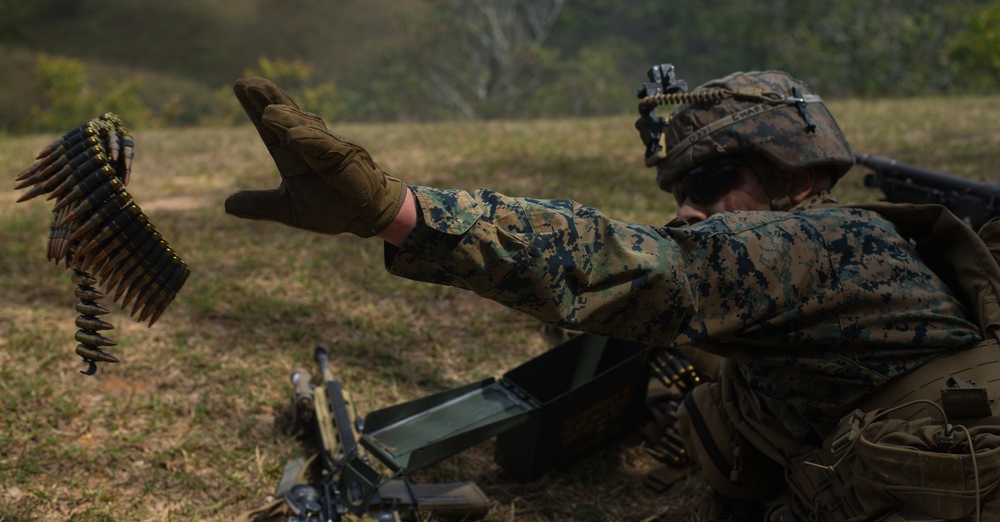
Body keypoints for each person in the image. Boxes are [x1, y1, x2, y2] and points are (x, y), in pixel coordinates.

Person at [225, 71, 1000, 521]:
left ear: (796, 175)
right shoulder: (819, 274)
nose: (690, 208)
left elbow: (624, 264)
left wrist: (397, 212)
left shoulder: (823, 244)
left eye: (707, 182)